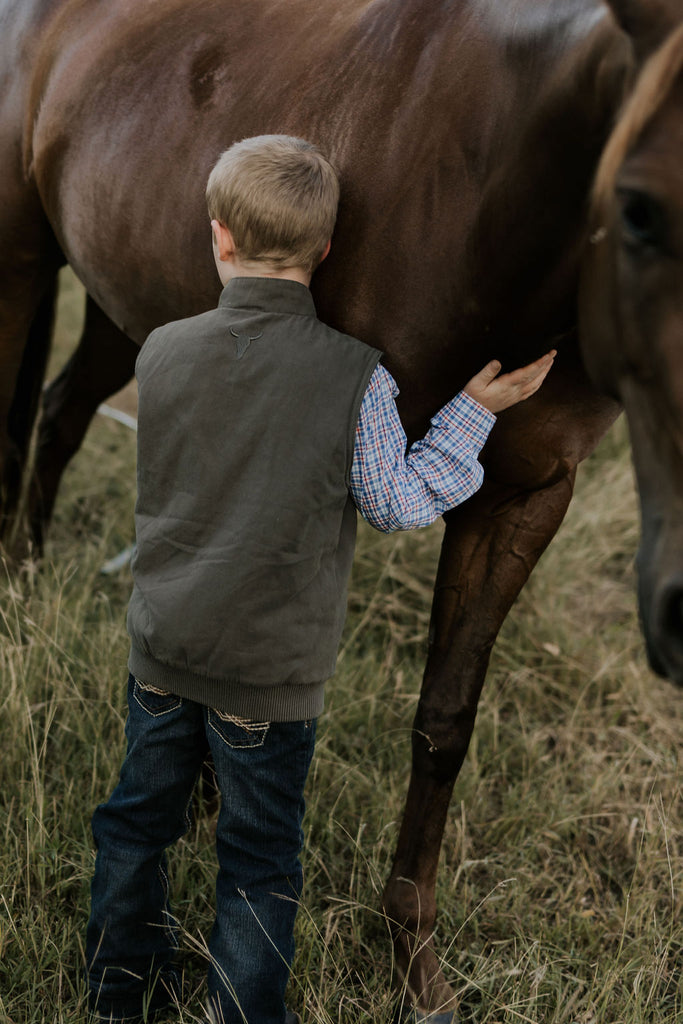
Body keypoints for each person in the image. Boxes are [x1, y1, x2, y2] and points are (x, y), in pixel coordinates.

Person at [85, 134, 555, 1024]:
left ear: (218, 238)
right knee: (259, 856)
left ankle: (117, 992)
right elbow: (395, 502)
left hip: (161, 649)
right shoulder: (358, 380)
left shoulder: (161, 352)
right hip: (271, 675)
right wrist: (469, 416)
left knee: (132, 824)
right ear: (328, 251)